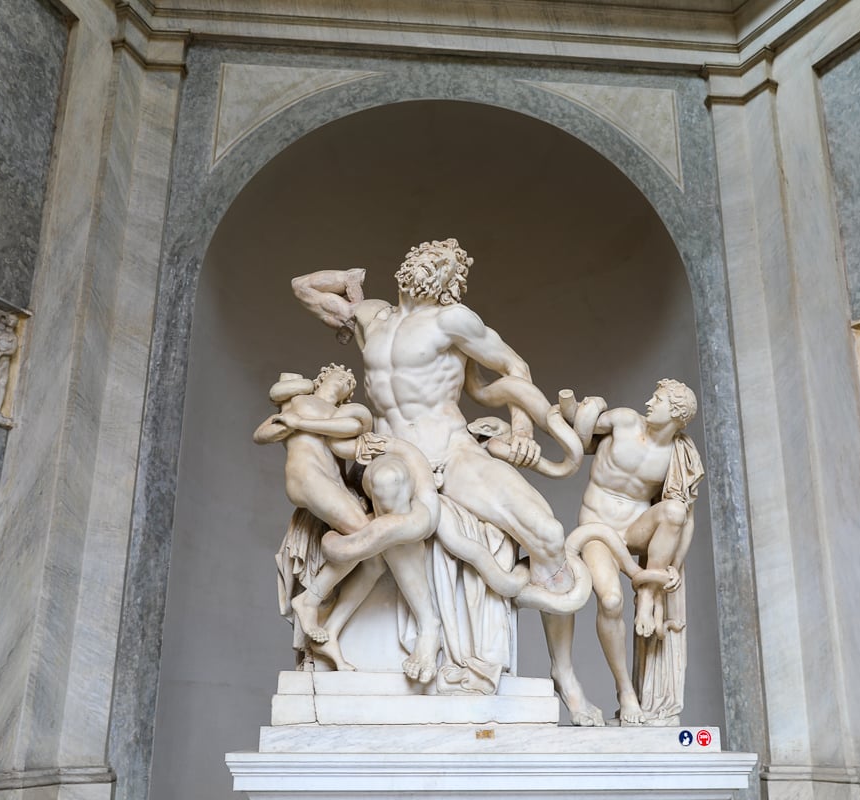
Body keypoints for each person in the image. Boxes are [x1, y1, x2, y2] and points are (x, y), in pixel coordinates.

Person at [292, 239, 602, 721]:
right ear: (405, 265)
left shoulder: (453, 321)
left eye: (444, 264)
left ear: (452, 282)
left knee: (548, 533)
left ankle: (565, 672)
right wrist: (349, 279)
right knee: (390, 487)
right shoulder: (371, 316)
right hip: (394, 450)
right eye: (424, 257)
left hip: (452, 450)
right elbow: (303, 288)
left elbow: (513, 367)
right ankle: (428, 625)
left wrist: (521, 428)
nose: (429, 266)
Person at [255, 364, 442, 681]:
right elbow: (262, 434)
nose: (345, 382)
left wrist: (299, 423)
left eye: (349, 383)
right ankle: (309, 600)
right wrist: (287, 424)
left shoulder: (343, 412)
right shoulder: (297, 401)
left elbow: (352, 427)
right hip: (307, 478)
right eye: (339, 377)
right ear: (320, 379)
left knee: (373, 561)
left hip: (331, 484)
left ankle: (332, 631)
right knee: (365, 536)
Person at [562, 379, 703, 724]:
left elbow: (686, 519)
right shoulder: (624, 420)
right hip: (597, 528)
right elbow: (577, 426)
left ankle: (648, 595)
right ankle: (625, 690)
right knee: (610, 601)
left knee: (673, 510)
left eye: (658, 399)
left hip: (635, 531)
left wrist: (673, 568)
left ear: (677, 413)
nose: (649, 402)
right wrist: (577, 402)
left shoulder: (678, 454)